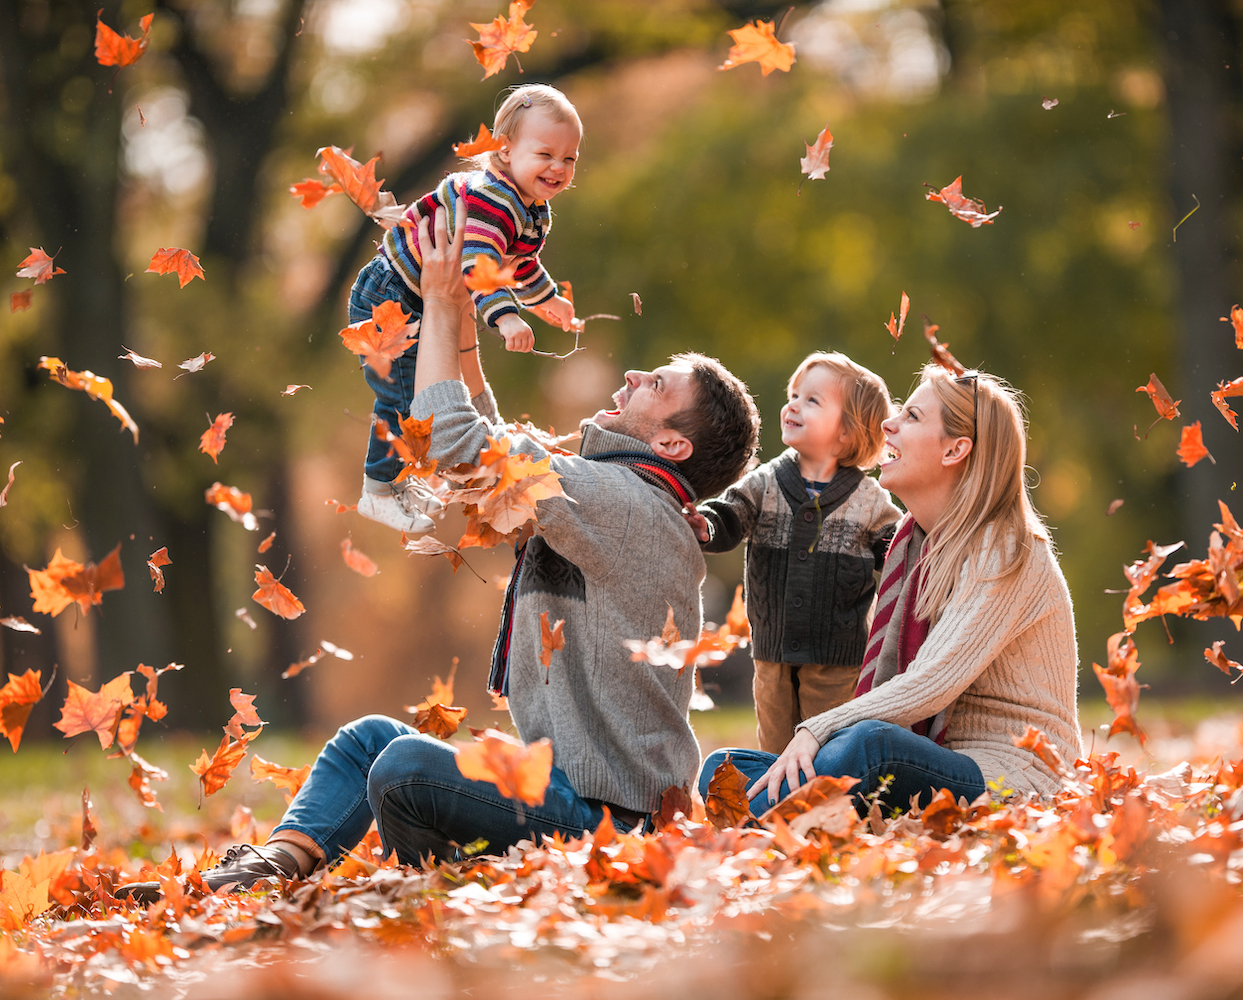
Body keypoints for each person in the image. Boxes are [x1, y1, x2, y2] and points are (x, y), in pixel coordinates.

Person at [120, 191, 760, 902]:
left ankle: (453, 877)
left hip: (608, 824)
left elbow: (454, 444)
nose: (637, 375)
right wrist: (455, 310)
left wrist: (437, 305)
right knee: (368, 740)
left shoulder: (626, 504)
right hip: (562, 795)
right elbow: (487, 438)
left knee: (403, 767)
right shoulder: (615, 492)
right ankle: (266, 869)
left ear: (672, 443)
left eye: (659, 384)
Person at [698, 365, 1081, 816]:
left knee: (868, 745)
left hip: (1013, 775)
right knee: (723, 768)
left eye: (913, 417)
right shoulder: (918, 544)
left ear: (956, 449)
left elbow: (931, 682)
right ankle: (779, 810)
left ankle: (763, 814)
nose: (888, 425)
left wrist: (817, 729)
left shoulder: (1008, 549)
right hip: (936, 761)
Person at [352, 83, 583, 533]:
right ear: (506, 150)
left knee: (419, 398)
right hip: (389, 295)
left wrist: (545, 298)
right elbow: (480, 262)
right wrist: (506, 315)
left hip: (412, 296)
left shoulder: (530, 208)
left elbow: (520, 262)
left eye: (569, 158)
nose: (558, 167)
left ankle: (398, 481)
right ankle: (376, 491)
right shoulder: (492, 201)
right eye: (545, 155)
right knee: (406, 402)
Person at [688, 352, 901, 754]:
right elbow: (730, 517)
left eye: (812, 400)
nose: (793, 405)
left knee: (829, 747)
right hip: (772, 651)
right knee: (775, 743)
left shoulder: (869, 501)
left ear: (847, 433)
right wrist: (706, 525)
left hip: (837, 659)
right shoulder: (766, 482)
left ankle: (831, 810)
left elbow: (899, 554)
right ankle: (778, 810)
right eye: (794, 394)